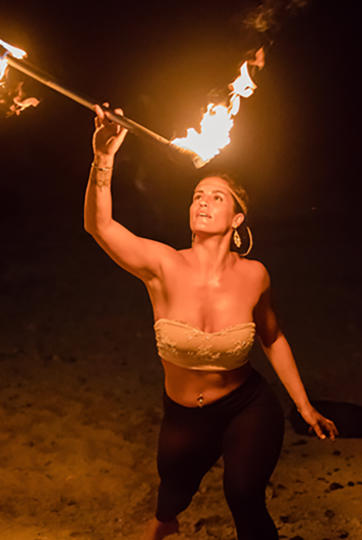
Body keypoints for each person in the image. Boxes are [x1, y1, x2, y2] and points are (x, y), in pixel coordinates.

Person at [84, 104, 338, 540]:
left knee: (244, 496)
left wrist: (304, 406)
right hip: (183, 418)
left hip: (248, 407)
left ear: (237, 220)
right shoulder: (162, 264)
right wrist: (103, 158)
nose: (203, 201)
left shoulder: (254, 275)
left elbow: (273, 338)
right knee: (172, 497)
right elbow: (100, 226)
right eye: (198, 195)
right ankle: (165, 522)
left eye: (216, 197)